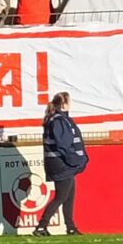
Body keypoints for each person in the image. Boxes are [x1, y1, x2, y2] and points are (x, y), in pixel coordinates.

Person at [34, 92, 87, 235]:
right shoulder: (59, 121)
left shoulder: (58, 119)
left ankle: (70, 227)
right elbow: (63, 145)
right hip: (61, 163)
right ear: (64, 104)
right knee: (61, 197)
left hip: (60, 163)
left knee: (69, 196)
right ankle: (41, 226)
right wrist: (74, 160)